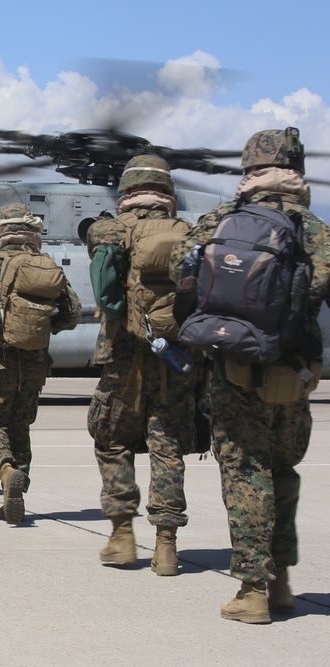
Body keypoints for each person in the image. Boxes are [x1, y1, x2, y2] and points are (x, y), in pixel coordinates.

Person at [170, 128, 330, 623]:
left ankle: (252, 589)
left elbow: (183, 270)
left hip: (234, 369)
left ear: (248, 171)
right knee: (283, 470)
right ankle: (280, 580)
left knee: (245, 472)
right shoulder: (315, 228)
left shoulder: (221, 220)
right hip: (293, 371)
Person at [86, 155, 198, 573]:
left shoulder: (107, 230)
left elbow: (105, 293)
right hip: (175, 359)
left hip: (122, 358)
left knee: (112, 440)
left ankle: (121, 535)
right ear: (168, 192)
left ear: (126, 192)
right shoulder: (188, 232)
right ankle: (166, 545)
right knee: (167, 448)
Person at [0, 204, 81, 523]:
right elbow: (73, 312)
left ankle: (6, 471)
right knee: (19, 426)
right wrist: (42, 327)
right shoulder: (46, 265)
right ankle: (17, 492)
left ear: (0, 231)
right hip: (35, 363)